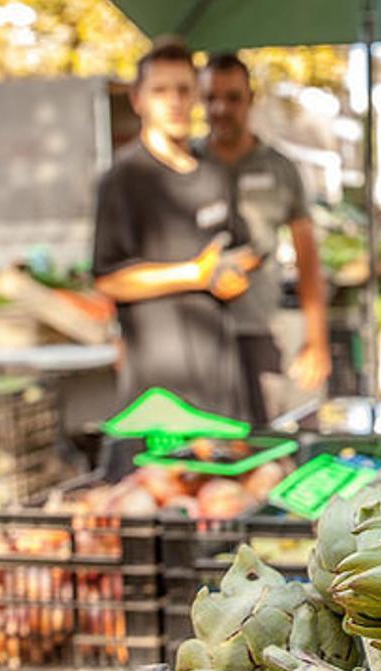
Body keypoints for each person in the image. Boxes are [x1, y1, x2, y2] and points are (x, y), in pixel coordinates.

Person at [92, 39, 254, 419]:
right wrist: (193, 275)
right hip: (157, 384)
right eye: (160, 91)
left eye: (183, 89)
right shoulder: (124, 177)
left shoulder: (212, 171)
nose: (175, 101)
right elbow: (108, 280)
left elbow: (242, 250)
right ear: (138, 100)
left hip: (218, 371)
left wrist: (234, 273)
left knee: (230, 477)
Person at [198, 53, 331, 424]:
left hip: (262, 326)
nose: (221, 108)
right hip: (199, 333)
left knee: (272, 437)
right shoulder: (187, 162)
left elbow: (308, 259)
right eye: (211, 98)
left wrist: (316, 340)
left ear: (250, 99)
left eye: (233, 97)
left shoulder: (280, 167)